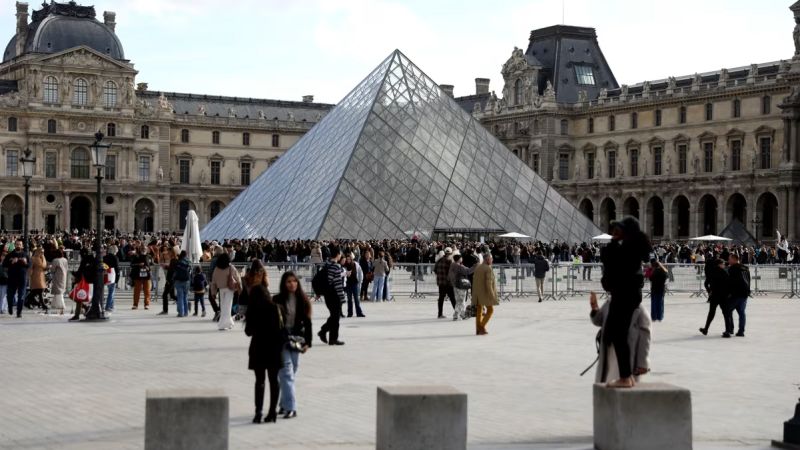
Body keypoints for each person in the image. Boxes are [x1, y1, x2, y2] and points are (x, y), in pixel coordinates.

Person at [599, 216, 652, 388]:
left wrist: (613, 242)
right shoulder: (631, 247)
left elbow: (609, 259)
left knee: (619, 335)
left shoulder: (628, 248)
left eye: (619, 229)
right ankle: (626, 376)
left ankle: (625, 377)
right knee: (618, 335)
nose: (615, 231)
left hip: (624, 295)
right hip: (626, 295)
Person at [274, 271, 313, 419]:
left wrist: (308, 342)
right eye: (289, 281)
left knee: (292, 371)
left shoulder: (303, 300)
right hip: (281, 339)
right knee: (286, 373)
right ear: (284, 284)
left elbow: (308, 323)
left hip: (297, 340)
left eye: (294, 281)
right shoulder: (277, 299)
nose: (292, 284)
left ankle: (283, 404)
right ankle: (291, 407)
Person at [589, 291, 651, 383]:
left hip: (627, 356)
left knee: (623, 385)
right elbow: (598, 320)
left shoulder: (638, 309)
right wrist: (594, 308)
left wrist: (642, 363)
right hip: (609, 352)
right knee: (608, 381)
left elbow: (645, 337)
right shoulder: (609, 303)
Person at [244, 284, 282, 424]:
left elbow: (248, 332)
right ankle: (272, 412)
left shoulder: (252, 309)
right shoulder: (275, 308)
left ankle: (258, 412)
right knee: (274, 380)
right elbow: (280, 329)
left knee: (259, 381)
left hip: (257, 348)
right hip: (274, 348)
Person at [318, 248, 346, 345]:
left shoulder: (327, 264)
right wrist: (342, 297)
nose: (341, 256)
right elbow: (337, 284)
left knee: (334, 316)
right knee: (336, 317)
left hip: (327, 294)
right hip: (334, 295)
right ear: (338, 254)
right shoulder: (336, 266)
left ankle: (330, 337)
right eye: (340, 254)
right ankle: (327, 334)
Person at [210, 252, 241, 331]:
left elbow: (213, 282)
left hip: (221, 289)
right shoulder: (230, 267)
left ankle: (227, 323)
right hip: (229, 289)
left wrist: (213, 292)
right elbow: (237, 277)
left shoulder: (216, 269)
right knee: (227, 307)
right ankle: (224, 324)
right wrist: (240, 286)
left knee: (223, 307)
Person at [699, 258, 729, 336]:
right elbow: (728, 284)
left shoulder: (711, 272)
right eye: (723, 264)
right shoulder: (724, 272)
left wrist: (709, 291)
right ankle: (727, 331)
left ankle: (706, 329)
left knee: (711, 313)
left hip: (714, 295)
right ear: (719, 264)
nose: (724, 265)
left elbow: (706, 284)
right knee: (726, 313)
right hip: (723, 295)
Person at [725, 253, 751, 337]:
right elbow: (748, 280)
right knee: (742, 313)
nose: (728, 260)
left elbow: (730, 282)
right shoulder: (746, 268)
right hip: (744, 294)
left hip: (735, 294)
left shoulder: (732, 269)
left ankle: (729, 329)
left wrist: (728, 293)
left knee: (727, 311)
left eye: (729, 259)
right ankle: (741, 331)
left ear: (734, 259)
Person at [472, 253, 498, 335]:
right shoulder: (488, 268)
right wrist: (492, 295)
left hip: (477, 293)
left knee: (479, 311)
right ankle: (481, 327)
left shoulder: (478, 267)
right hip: (485, 293)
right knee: (490, 310)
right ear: (487, 260)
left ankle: (478, 329)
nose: (492, 260)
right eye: (491, 259)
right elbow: (488, 283)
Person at [4, 240, 29, 318]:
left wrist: (25, 263)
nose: (18, 246)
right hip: (12, 278)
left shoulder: (25, 254)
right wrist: (11, 262)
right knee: (10, 296)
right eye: (17, 244)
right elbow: (4, 264)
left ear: (22, 246)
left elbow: (29, 265)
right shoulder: (10, 255)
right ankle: (10, 307)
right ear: (15, 245)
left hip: (22, 278)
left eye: (20, 244)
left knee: (21, 296)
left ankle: (19, 312)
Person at [448, 254, 473, 321]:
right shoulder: (458, 266)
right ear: (459, 259)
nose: (462, 259)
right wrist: (475, 266)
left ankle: (456, 314)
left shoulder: (452, 265)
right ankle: (462, 314)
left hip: (455, 285)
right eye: (461, 258)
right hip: (460, 285)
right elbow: (468, 271)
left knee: (458, 300)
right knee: (462, 300)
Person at [435, 247, 456, 319]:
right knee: (452, 298)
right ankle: (457, 312)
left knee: (441, 298)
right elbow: (451, 273)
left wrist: (440, 276)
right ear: (450, 253)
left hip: (441, 282)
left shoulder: (439, 260)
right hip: (448, 283)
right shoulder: (449, 261)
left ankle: (440, 314)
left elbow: (435, 270)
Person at [49, 250, 69, 315]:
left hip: (57, 275)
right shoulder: (65, 260)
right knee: (61, 289)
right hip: (64, 275)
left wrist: (50, 267)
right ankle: (55, 304)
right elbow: (67, 268)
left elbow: (52, 269)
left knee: (58, 290)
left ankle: (60, 304)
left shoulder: (55, 260)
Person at [172, 250, 192, 317]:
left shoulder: (178, 261)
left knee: (180, 297)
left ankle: (181, 313)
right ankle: (186, 313)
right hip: (186, 281)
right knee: (185, 297)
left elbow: (175, 271)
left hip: (178, 280)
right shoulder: (189, 262)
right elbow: (190, 272)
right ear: (186, 255)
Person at [103, 245, 120, 312]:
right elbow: (117, 268)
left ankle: (111, 305)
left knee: (111, 291)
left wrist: (107, 269)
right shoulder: (115, 258)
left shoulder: (105, 257)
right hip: (113, 275)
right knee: (111, 292)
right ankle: (108, 306)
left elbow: (104, 265)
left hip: (106, 275)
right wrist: (117, 278)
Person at [0, 249, 7, 314]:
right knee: (1, 295)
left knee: (3, 295)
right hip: (1, 281)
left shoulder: (8, 265)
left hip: (5, 281)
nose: (3, 257)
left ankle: (3, 309)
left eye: (5, 256)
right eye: (3, 256)